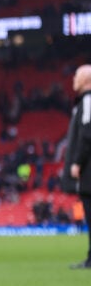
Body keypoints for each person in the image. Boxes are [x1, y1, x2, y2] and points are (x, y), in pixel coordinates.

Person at [64, 64, 91, 269]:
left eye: (76, 75)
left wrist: (77, 162)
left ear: (85, 80)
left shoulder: (88, 100)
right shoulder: (84, 101)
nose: (73, 79)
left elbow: (87, 133)